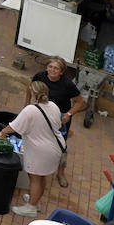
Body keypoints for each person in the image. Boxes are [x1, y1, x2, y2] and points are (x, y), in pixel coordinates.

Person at [0, 80, 66, 216]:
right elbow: (57, 125)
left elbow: (13, 127)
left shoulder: (30, 110)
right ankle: (36, 200)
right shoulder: (53, 106)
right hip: (56, 148)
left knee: (35, 178)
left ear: (33, 93)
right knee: (42, 177)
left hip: (40, 152)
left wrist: (2, 132)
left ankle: (31, 207)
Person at [32, 56, 85, 189]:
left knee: (61, 146)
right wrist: (27, 104)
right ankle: (36, 167)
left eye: (56, 68)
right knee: (39, 139)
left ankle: (60, 173)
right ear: (46, 67)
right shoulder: (40, 76)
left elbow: (80, 102)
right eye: (50, 67)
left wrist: (68, 114)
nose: (52, 70)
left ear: (61, 72)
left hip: (60, 118)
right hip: (42, 113)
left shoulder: (67, 85)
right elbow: (30, 87)